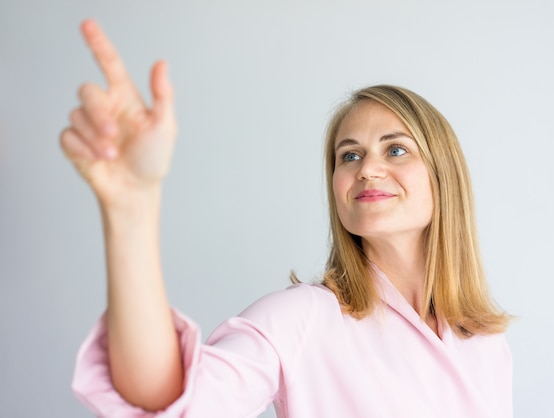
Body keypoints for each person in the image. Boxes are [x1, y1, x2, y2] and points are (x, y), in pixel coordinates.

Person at [62, 19, 512, 418]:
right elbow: (170, 404)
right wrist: (131, 208)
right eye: (349, 155)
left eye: (396, 149)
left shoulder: (485, 343)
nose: (367, 168)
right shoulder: (303, 319)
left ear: (444, 175)